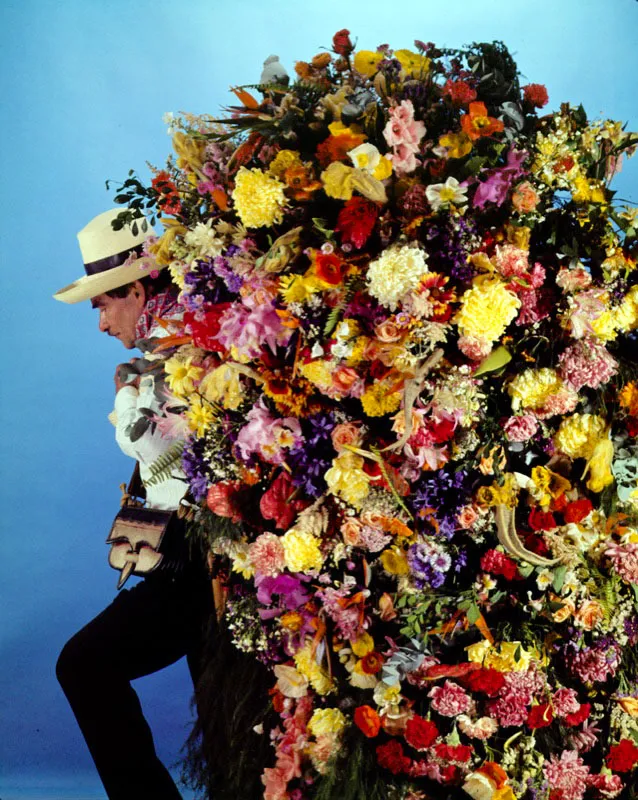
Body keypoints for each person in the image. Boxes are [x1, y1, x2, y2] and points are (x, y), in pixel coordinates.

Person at [53, 209, 214, 800]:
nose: (99, 323)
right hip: (200, 556)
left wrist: (124, 391)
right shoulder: (173, 339)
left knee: (84, 665)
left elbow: (149, 437)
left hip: (201, 561)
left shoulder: (178, 347)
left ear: (139, 289)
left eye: (102, 304)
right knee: (225, 712)